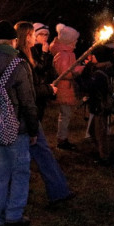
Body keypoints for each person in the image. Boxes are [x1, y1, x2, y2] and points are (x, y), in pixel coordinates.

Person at [0, 21, 39, 226]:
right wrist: (33, 129)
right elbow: (28, 102)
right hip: (16, 129)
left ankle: (0, 217)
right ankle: (14, 215)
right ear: (13, 41)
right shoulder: (18, 65)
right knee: (20, 172)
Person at [15, 21, 75, 207]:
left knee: (36, 152)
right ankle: (56, 191)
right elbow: (29, 90)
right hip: (25, 113)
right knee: (38, 152)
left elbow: (41, 75)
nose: (36, 37)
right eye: (34, 34)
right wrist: (48, 89)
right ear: (27, 36)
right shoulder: (21, 59)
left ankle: (56, 190)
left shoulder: (28, 56)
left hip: (28, 111)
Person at [49, 23, 82, 150]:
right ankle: (62, 139)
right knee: (65, 115)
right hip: (64, 88)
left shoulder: (68, 53)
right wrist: (80, 70)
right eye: (74, 40)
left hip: (67, 87)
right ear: (69, 41)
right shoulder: (62, 54)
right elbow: (65, 72)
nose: (76, 42)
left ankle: (63, 138)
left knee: (66, 115)